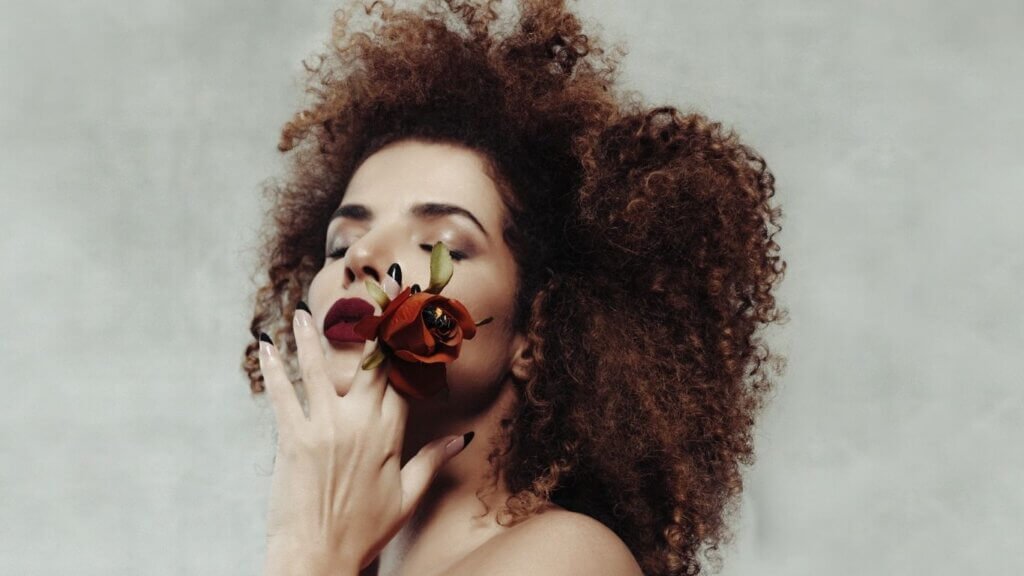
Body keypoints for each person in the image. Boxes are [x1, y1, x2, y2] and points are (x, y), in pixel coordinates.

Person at [241, 0, 787, 574]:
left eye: (441, 246)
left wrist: (307, 553)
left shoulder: (569, 558)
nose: (360, 257)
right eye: (339, 243)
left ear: (535, 331)